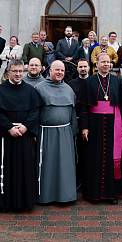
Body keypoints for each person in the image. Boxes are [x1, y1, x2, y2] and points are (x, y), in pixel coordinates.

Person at [0, 60, 41, 211]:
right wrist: (9, 128)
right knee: (5, 169)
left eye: (20, 71)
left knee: (25, 169)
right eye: (15, 71)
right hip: (6, 137)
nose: (18, 74)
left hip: (24, 136)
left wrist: (25, 126)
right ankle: (4, 203)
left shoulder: (31, 91)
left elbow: (35, 111)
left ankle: (25, 203)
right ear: (8, 72)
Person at [79, 53, 122, 204]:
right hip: (94, 124)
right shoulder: (89, 82)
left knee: (111, 158)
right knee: (95, 158)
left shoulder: (117, 81)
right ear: (97, 64)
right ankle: (93, 194)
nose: (106, 64)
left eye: (108, 62)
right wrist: (84, 127)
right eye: (103, 62)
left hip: (113, 123)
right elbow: (83, 107)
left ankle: (111, 194)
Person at [35, 61, 78, 204]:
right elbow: (34, 113)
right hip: (46, 134)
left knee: (64, 166)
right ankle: (46, 197)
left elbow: (72, 112)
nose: (59, 72)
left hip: (65, 133)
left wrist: (73, 132)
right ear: (50, 70)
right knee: (48, 166)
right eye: (57, 70)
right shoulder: (39, 88)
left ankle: (65, 196)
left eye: (62, 70)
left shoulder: (68, 89)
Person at [68, 59, 90, 189]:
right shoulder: (71, 84)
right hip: (75, 121)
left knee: (88, 153)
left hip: (90, 123)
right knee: (75, 154)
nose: (82, 69)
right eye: (80, 67)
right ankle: (77, 181)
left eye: (85, 66)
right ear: (77, 69)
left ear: (89, 68)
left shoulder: (93, 82)